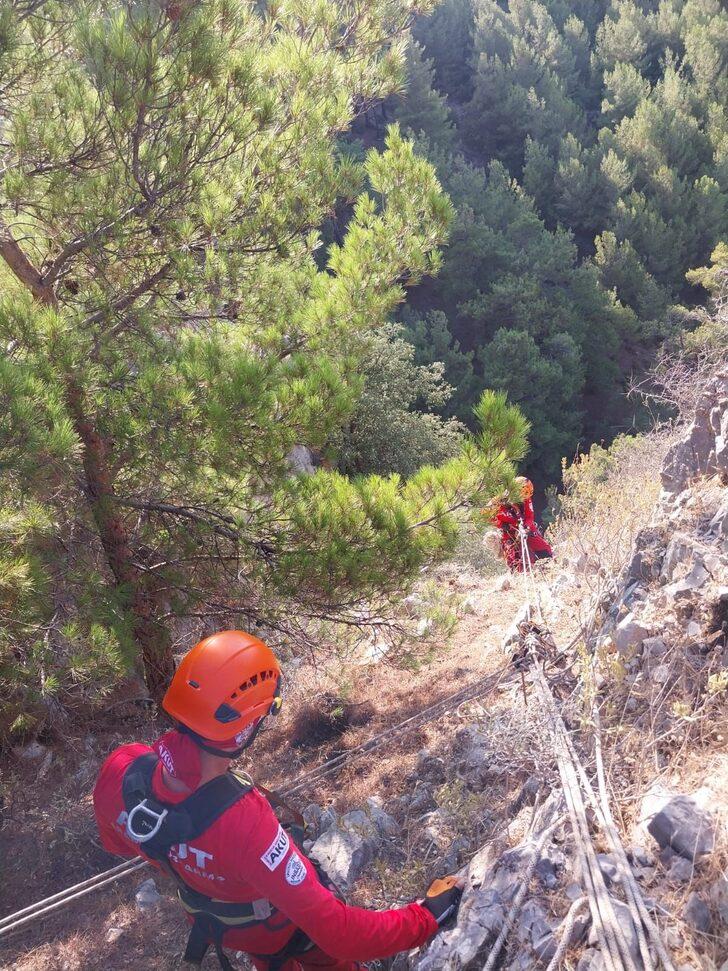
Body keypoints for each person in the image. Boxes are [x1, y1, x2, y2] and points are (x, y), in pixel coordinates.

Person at [94, 630, 462, 970]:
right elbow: (342, 934)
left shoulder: (121, 770)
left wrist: (196, 863)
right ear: (247, 727)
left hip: (226, 924)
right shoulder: (244, 823)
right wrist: (426, 916)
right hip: (283, 928)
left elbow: (120, 844)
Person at [491, 477, 553, 572]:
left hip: (524, 526)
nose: (525, 497)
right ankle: (517, 573)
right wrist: (501, 525)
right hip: (508, 531)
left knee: (542, 547)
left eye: (527, 494)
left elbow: (529, 516)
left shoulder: (526, 499)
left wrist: (526, 527)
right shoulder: (498, 502)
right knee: (512, 556)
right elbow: (486, 516)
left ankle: (549, 566)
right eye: (524, 494)